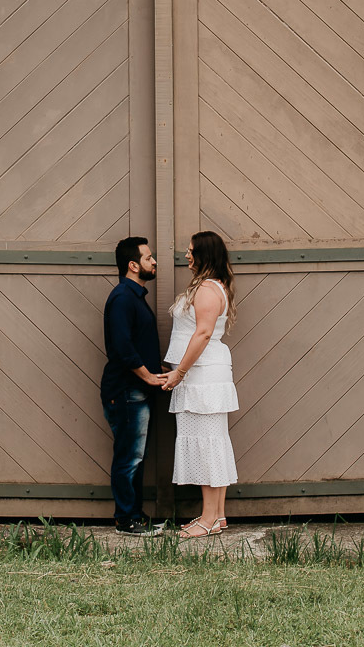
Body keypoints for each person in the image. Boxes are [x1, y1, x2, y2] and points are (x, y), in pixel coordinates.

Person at [161, 230, 238, 538]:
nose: (187, 255)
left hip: (201, 375)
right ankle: (217, 516)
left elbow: (203, 334)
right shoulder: (213, 286)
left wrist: (179, 372)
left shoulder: (207, 289)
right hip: (205, 373)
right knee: (212, 442)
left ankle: (207, 519)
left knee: (207, 444)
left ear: (205, 254)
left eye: (191, 251)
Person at [101, 236, 165, 535]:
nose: (154, 262)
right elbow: (122, 348)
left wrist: (161, 370)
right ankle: (126, 520)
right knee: (129, 457)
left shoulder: (135, 297)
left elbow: (137, 344)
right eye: (149, 257)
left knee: (136, 456)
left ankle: (135, 516)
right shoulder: (122, 298)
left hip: (137, 391)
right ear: (133, 265)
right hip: (127, 391)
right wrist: (148, 377)